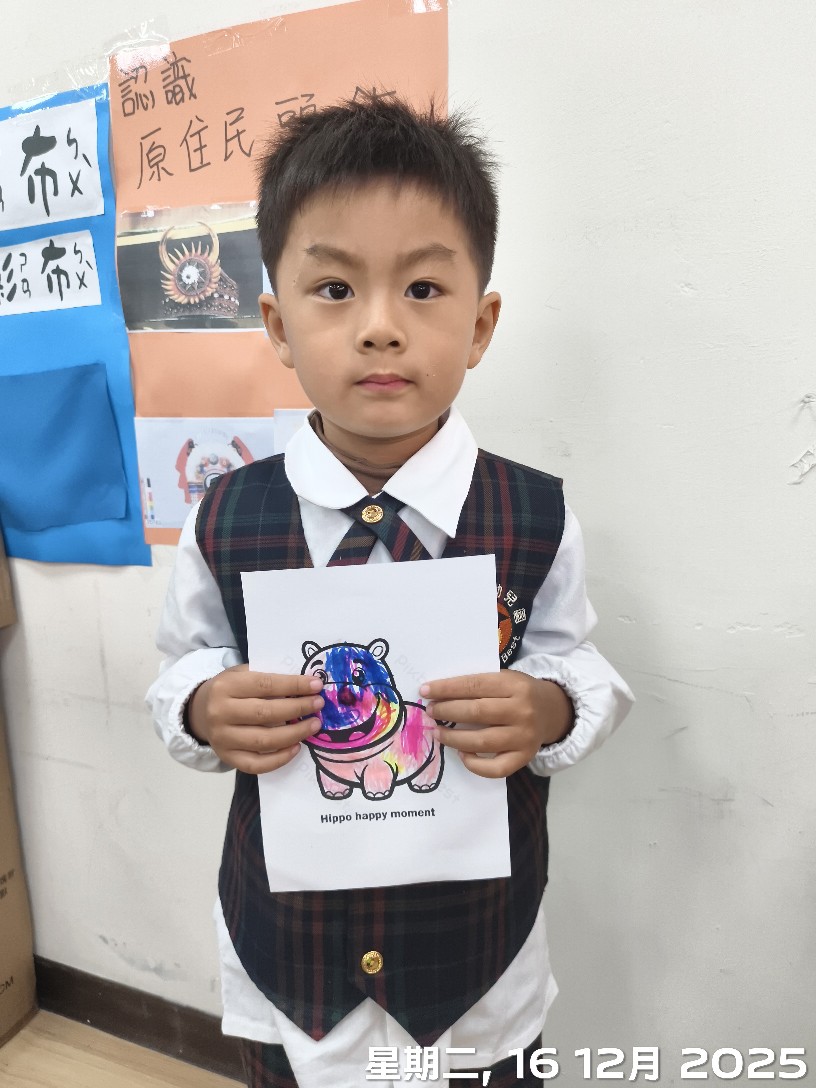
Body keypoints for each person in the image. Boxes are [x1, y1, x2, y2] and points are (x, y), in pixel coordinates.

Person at [147, 97, 634, 1088]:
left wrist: (547, 707)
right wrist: (204, 704)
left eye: (422, 287)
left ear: (480, 324)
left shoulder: (535, 515)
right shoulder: (225, 516)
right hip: (288, 970)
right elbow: (182, 666)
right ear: (278, 325)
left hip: (477, 974)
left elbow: (575, 663)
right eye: (334, 288)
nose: (379, 328)